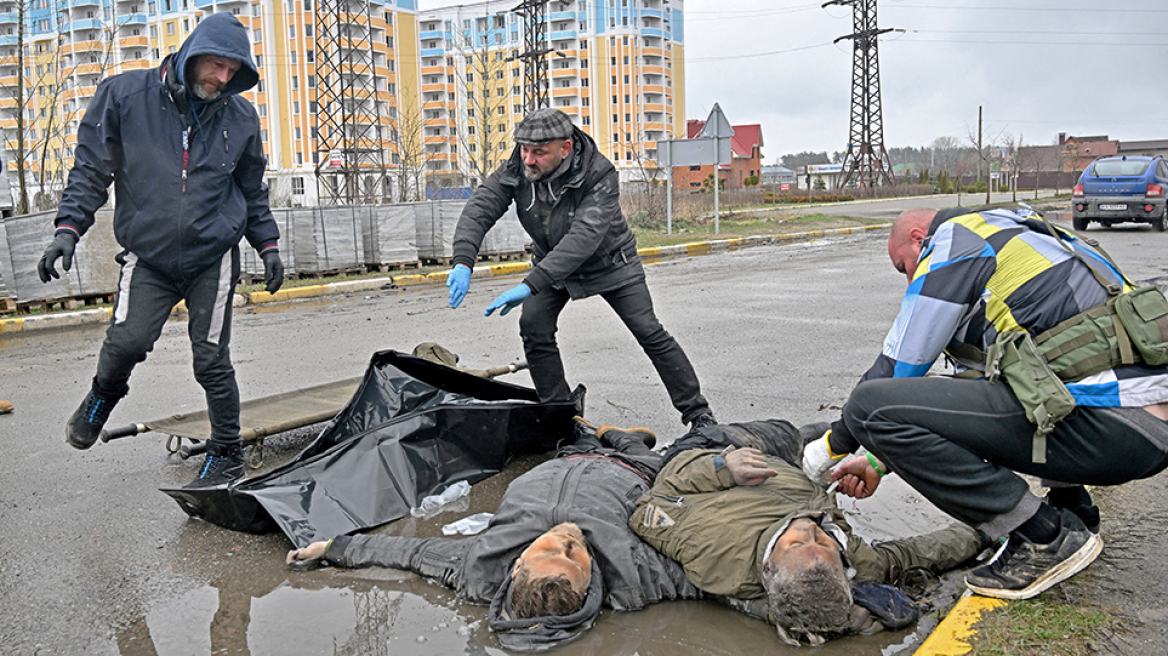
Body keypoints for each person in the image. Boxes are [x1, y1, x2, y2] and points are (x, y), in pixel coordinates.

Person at [803, 206, 1168, 600]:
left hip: (1117, 429)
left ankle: (1044, 536)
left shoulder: (957, 241)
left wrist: (832, 446)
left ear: (916, 237)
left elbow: (898, 368)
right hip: (1142, 426)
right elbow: (979, 397)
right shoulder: (1019, 229)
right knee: (1020, 376)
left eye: (903, 266)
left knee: (867, 406)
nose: (910, 278)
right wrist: (879, 459)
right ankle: (1073, 509)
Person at [36, 13, 284, 487]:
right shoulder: (125, 97)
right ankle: (102, 396)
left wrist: (267, 243)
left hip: (212, 253)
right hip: (148, 254)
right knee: (127, 342)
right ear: (192, 53)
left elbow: (252, 190)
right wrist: (68, 229)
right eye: (216, 65)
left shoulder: (240, 116)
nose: (223, 78)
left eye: (233, 71)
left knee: (211, 358)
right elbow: (91, 170)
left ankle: (226, 453)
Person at [287, 419, 702, 652]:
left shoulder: (480, 567)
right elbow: (714, 574)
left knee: (574, 437)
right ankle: (619, 437)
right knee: (647, 449)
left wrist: (332, 547)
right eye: (574, 555)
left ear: (518, 563)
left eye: (554, 547)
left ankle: (597, 433)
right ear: (591, 583)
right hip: (631, 470)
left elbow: (408, 552)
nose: (566, 536)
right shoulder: (636, 579)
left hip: (566, 460)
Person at [444, 107, 715, 431]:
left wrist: (531, 284)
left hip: (611, 262)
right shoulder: (518, 167)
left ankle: (699, 415)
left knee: (649, 331)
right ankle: (560, 416)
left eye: (539, 152)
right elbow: (481, 208)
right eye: (524, 149)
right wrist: (463, 260)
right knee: (534, 326)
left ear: (565, 148)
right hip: (551, 260)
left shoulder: (599, 174)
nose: (528, 159)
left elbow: (583, 238)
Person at [633, 419, 985, 646]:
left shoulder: (711, 550)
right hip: (791, 471)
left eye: (798, 543)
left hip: (714, 450)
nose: (808, 528)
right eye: (823, 542)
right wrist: (985, 533)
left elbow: (649, 505)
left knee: (801, 434)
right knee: (833, 436)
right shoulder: (860, 564)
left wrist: (723, 468)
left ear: (769, 566)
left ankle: (627, 441)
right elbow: (918, 553)